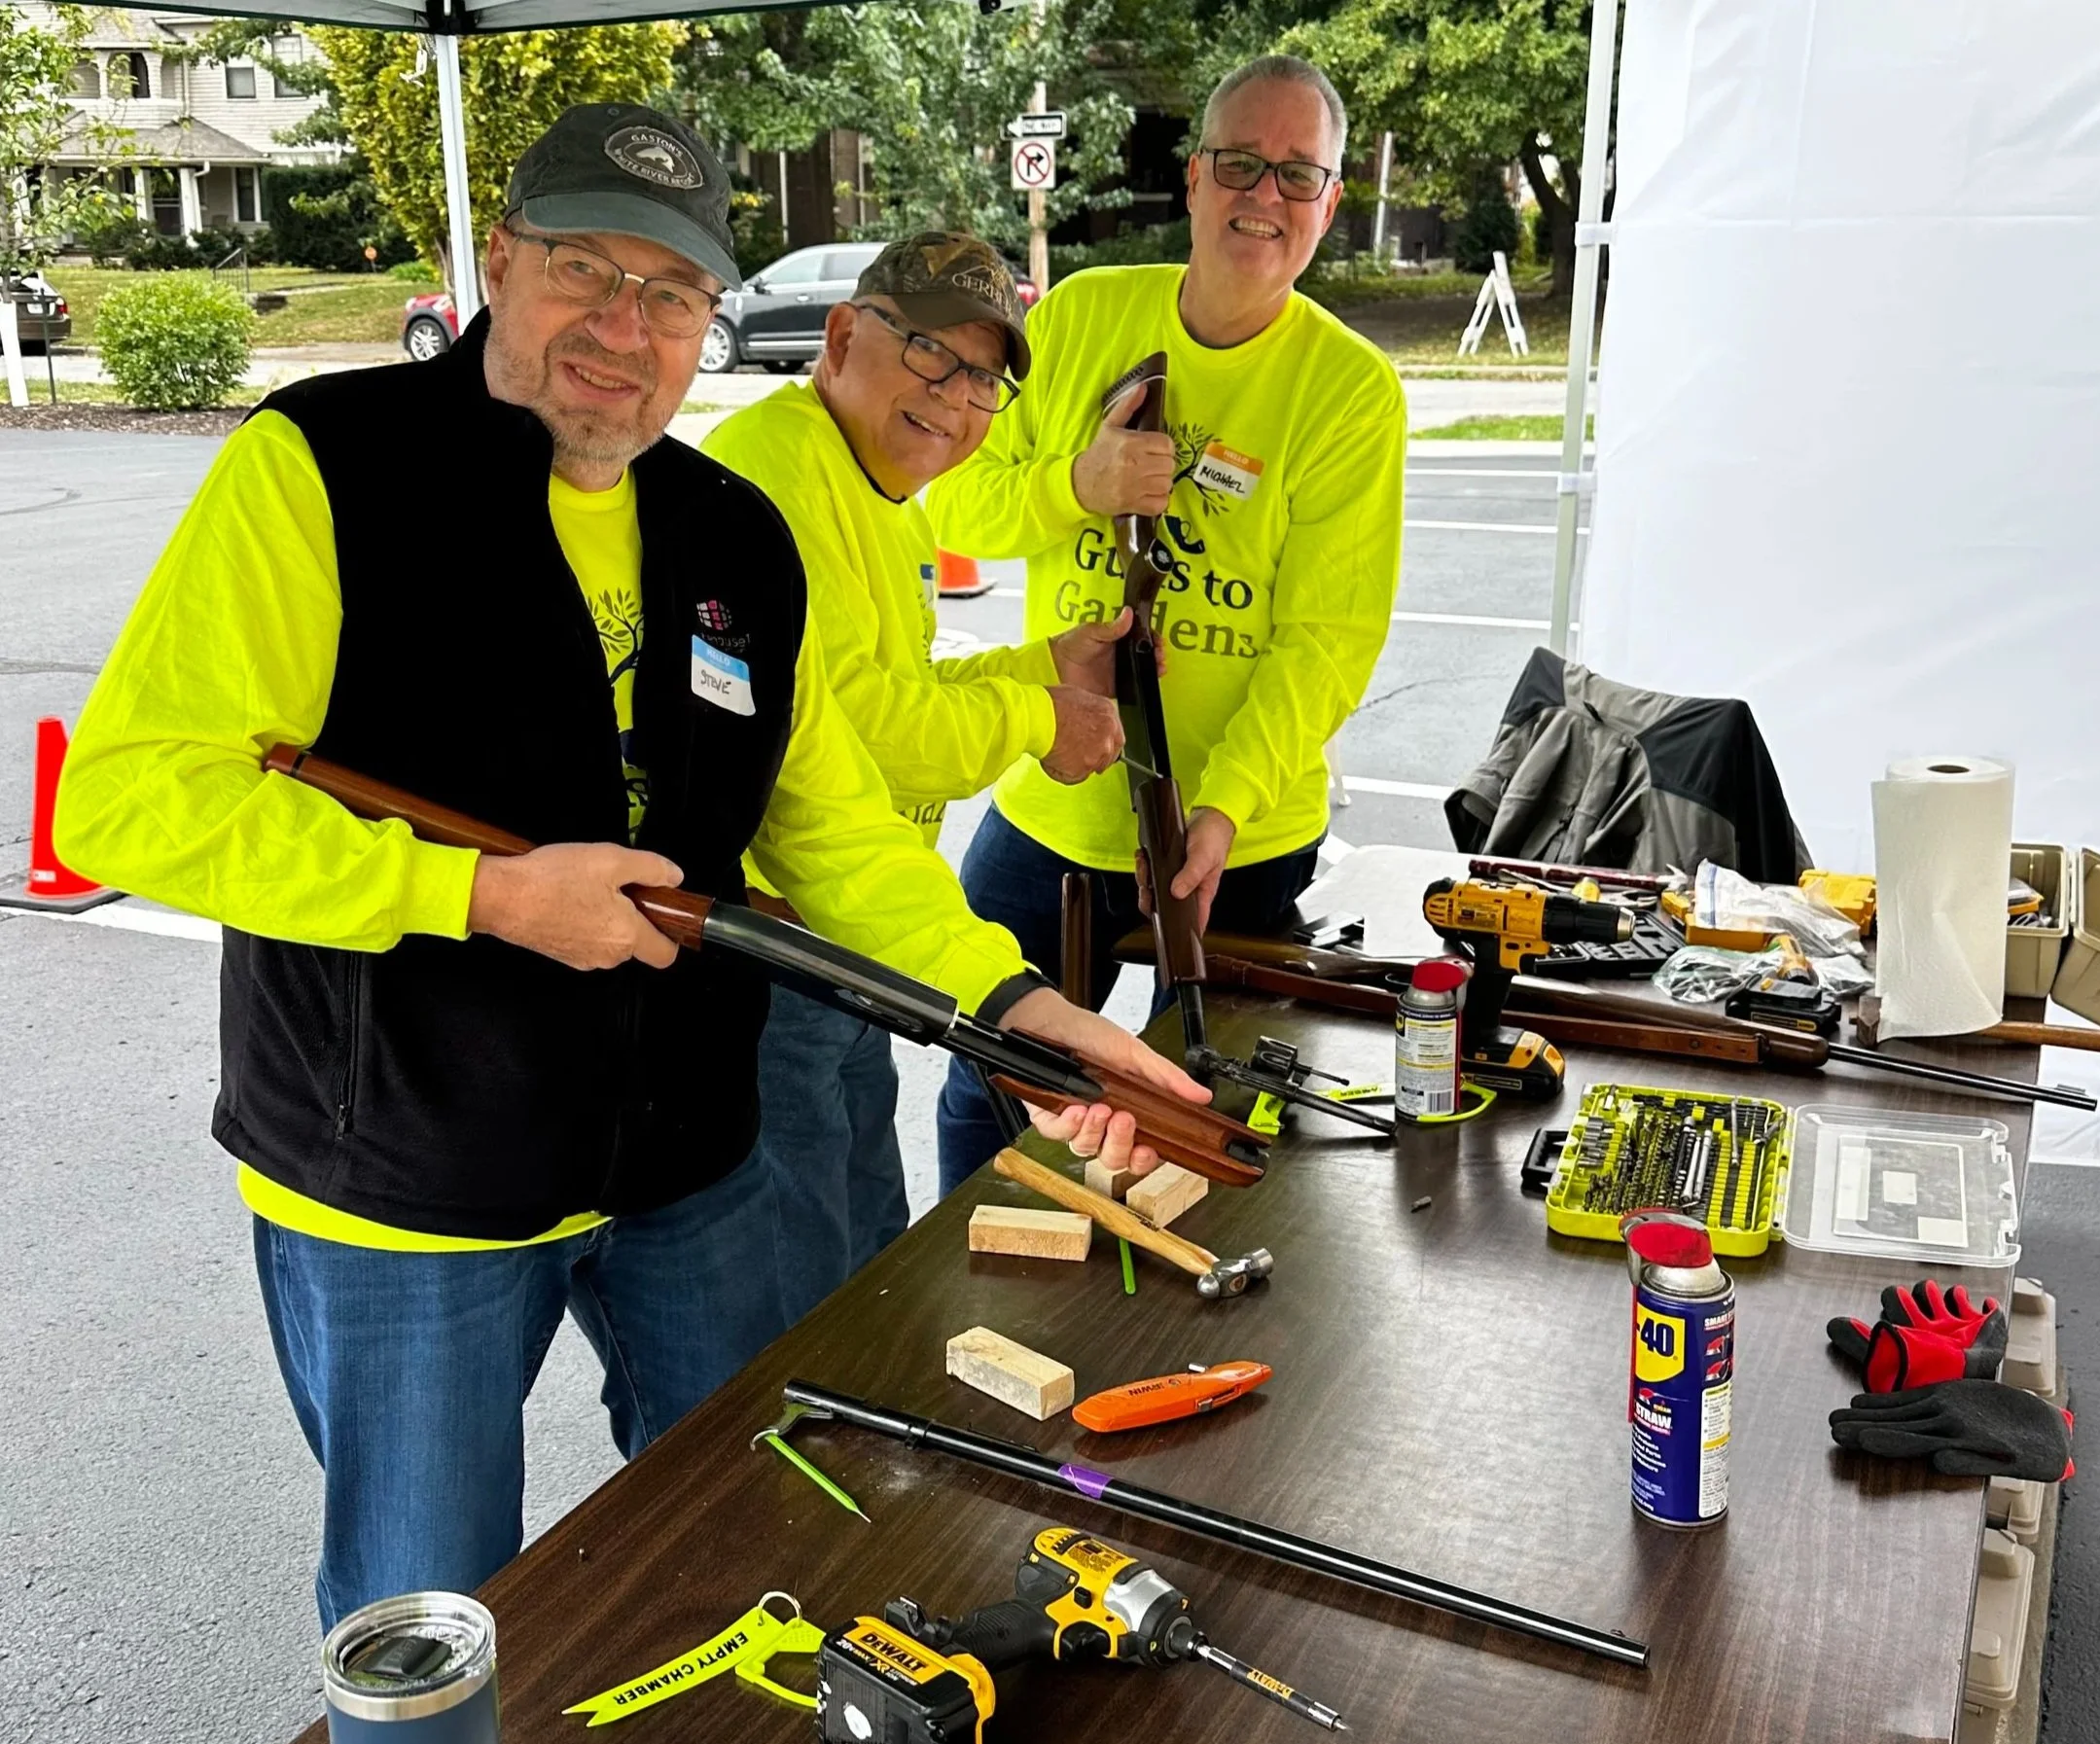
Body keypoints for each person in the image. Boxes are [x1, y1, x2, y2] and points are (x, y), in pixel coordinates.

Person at [54, 103, 1203, 1629]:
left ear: (709, 322)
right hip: (409, 1172)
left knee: (745, 1526)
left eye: (670, 294)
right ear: (500, 261)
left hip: (684, 1155)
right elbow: (131, 800)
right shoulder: (326, 466)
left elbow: (828, 827)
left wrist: (1007, 1006)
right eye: (583, 269)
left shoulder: (731, 527)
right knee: (431, 1610)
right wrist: (474, 894)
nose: (624, 326)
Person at [926, 53, 1408, 1193]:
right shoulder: (1088, 313)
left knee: (1214, 1127)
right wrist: (1076, 486)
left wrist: (1224, 802)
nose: (1265, 196)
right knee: (988, 1087)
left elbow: (1327, 639)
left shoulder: (1350, 391)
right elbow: (949, 492)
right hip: (1051, 807)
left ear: (1332, 204)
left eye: (1299, 175)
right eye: (1240, 162)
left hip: (1238, 834)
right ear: (1194, 178)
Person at [699, 234, 1136, 1322]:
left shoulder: (868, 480)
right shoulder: (779, 477)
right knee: (803, 1281)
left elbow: (890, 682)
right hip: (779, 941)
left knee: (865, 1242)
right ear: (843, 335)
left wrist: (1047, 660)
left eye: (985, 379)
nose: (958, 398)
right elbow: (873, 738)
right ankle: (800, 1465)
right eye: (933, 355)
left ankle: (869, 1424)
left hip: (855, 930)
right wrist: (1039, 716)